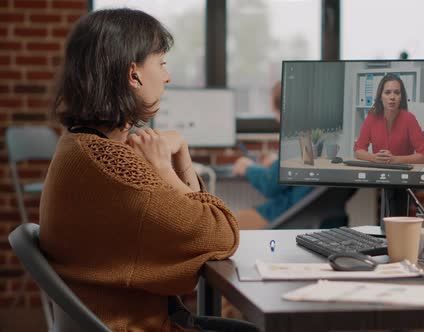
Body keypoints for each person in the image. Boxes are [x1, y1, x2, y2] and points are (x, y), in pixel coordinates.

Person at [39, 8, 257, 332]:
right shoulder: (116, 166)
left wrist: (179, 150)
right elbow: (223, 234)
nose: (167, 76)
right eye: (162, 63)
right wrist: (167, 169)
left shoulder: (79, 146)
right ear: (134, 74)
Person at [232, 81, 313, 229]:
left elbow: (270, 184)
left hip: (288, 216)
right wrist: (277, 162)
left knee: (226, 226)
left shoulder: (298, 139)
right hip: (320, 218)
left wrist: (247, 168)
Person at [353, 74, 424, 164]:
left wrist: (395, 159)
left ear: (401, 97)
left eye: (397, 93)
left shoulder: (409, 119)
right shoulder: (372, 117)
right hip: (379, 171)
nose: (392, 97)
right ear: (380, 97)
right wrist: (374, 158)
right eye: (387, 92)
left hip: (403, 173)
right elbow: (358, 150)